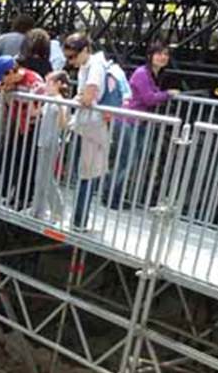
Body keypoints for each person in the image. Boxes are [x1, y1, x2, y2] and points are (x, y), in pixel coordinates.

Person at [104, 42, 180, 208]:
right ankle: (111, 196)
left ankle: (113, 195)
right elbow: (148, 98)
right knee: (126, 160)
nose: (163, 57)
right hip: (127, 119)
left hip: (137, 121)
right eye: (159, 53)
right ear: (150, 56)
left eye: (166, 54)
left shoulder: (152, 74)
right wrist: (168, 94)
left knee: (130, 160)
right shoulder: (141, 73)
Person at [63, 33, 110, 230]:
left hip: (92, 128)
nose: (70, 62)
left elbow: (88, 97)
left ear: (85, 51)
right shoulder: (88, 66)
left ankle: (79, 221)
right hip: (89, 127)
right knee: (86, 173)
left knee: (88, 174)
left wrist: (79, 98)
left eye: (73, 56)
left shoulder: (95, 66)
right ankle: (78, 220)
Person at [0, 55, 44, 210]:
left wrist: (34, 111)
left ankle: (24, 197)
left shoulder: (33, 81)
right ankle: (10, 190)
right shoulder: (11, 83)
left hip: (35, 128)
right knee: (12, 157)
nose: (2, 81)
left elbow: (45, 104)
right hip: (19, 126)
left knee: (28, 163)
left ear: (10, 72)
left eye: (3, 77)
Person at [31, 71, 70, 222]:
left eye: (50, 83)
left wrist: (60, 107)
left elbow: (63, 124)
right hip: (43, 141)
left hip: (51, 143)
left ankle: (58, 210)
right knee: (40, 177)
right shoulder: (49, 100)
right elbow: (35, 113)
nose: (46, 86)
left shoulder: (60, 101)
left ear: (58, 85)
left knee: (46, 178)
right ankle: (38, 210)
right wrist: (33, 94)